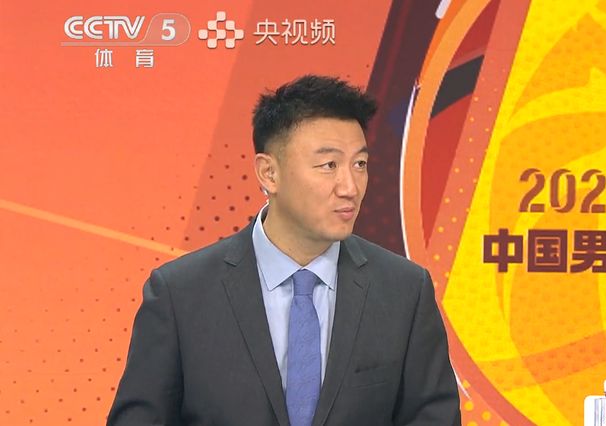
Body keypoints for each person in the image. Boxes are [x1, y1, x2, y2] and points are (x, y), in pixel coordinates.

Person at [107, 75, 461, 426]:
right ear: (269, 173)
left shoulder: (404, 291)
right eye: (329, 165)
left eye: (360, 164)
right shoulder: (180, 294)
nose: (350, 187)